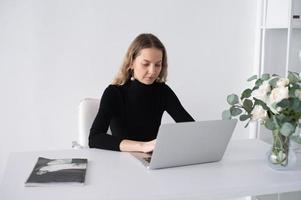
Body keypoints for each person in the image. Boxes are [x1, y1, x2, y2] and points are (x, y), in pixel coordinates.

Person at [89, 33, 194, 153]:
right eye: (146, 64)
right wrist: (142, 146)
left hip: (153, 161)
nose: (152, 71)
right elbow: (94, 138)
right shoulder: (114, 93)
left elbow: (191, 128)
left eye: (158, 64)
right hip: (121, 161)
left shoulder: (163, 91)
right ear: (131, 62)